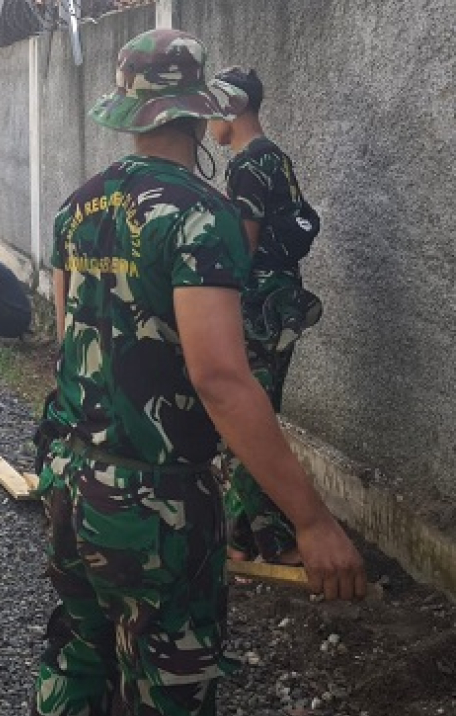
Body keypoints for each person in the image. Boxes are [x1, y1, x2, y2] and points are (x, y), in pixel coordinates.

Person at [26, 29, 366, 716]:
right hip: (155, 505)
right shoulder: (198, 215)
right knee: (166, 699)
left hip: (70, 478)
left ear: (130, 110)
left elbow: (71, 344)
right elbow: (219, 377)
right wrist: (311, 519)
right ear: (193, 111)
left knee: (78, 664)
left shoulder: (77, 206)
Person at [208, 66, 323, 565]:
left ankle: (270, 542)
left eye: (214, 106)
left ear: (232, 106)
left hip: (257, 306)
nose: (208, 119)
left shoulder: (247, 165)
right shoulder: (274, 156)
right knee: (259, 413)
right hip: (283, 299)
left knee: (248, 420)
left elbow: (243, 247)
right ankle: (244, 536)